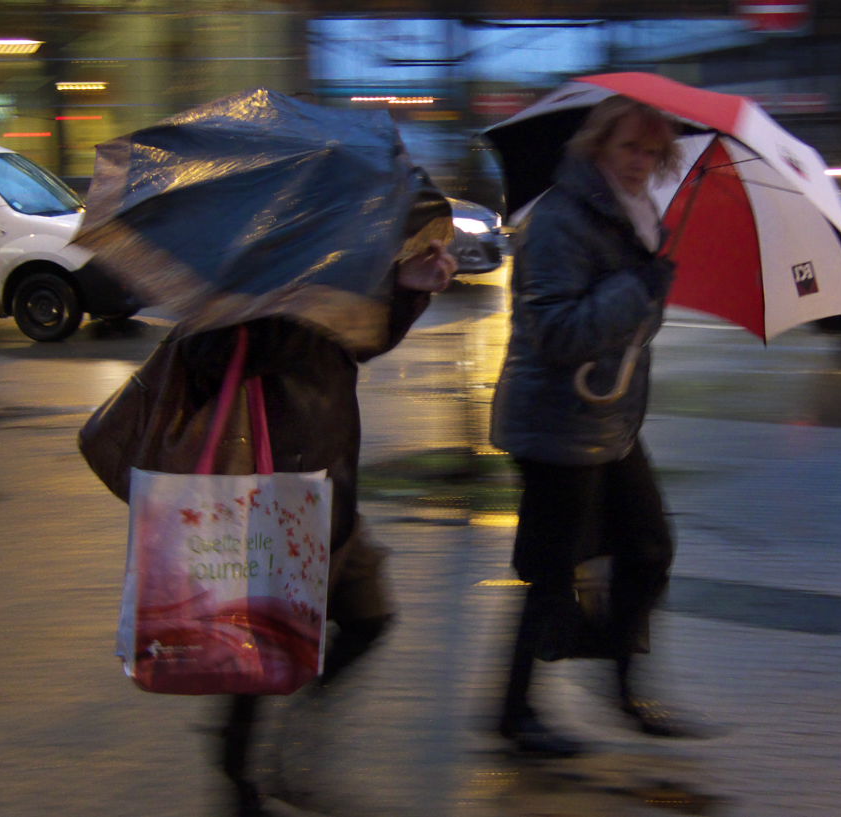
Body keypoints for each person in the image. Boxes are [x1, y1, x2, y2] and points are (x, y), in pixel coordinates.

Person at [174, 224, 456, 814]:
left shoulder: (331, 256)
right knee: (266, 649)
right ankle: (239, 773)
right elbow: (204, 355)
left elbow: (359, 341)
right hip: (270, 493)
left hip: (330, 483)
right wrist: (300, 300)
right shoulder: (248, 266)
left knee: (368, 619)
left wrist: (405, 292)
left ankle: (282, 747)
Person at [488, 96, 700, 757]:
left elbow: (629, 329)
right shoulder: (560, 218)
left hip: (608, 420)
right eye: (627, 148)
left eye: (651, 151)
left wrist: (645, 289)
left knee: (648, 548)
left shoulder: (636, 219)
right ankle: (514, 711)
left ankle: (623, 686)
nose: (640, 162)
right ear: (597, 146)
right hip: (555, 422)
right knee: (552, 569)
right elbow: (555, 331)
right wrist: (636, 288)